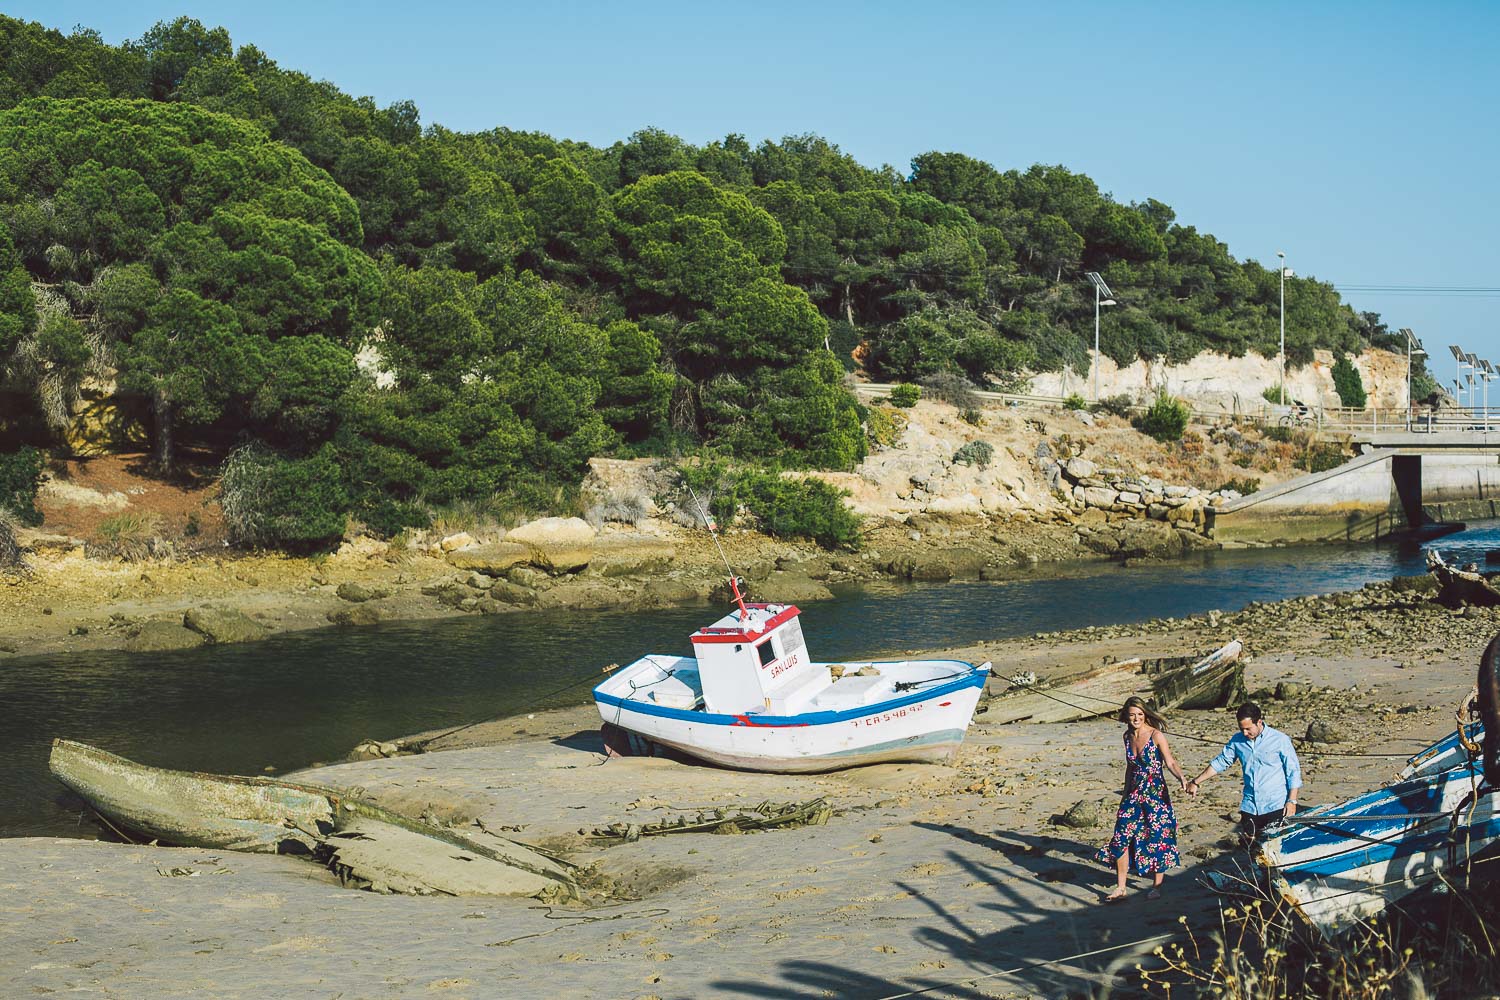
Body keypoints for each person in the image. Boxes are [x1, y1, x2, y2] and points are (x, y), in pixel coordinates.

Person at [1094, 696, 1185, 901]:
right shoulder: (1127, 737)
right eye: (1132, 715)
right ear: (1126, 716)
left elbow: (1170, 762)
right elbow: (1129, 768)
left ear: (1145, 715)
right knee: (1121, 836)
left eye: (1140, 715)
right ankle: (1121, 887)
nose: (1136, 718)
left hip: (1155, 794)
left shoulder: (1155, 735)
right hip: (1133, 794)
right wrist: (1125, 794)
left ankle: (1157, 885)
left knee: (1157, 837)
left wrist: (1182, 779)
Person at [1187, 701, 1302, 845]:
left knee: (1276, 846)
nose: (1244, 733)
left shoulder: (1280, 740)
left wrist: (1292, 801)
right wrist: (1196, 782)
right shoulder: (1237, 741)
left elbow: (1293, 772)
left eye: (1248, 729)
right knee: (1250, 848)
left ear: (1259, 722)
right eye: (1241, 729)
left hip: (1276, 805)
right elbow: (1221, 762)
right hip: (1250, 806)